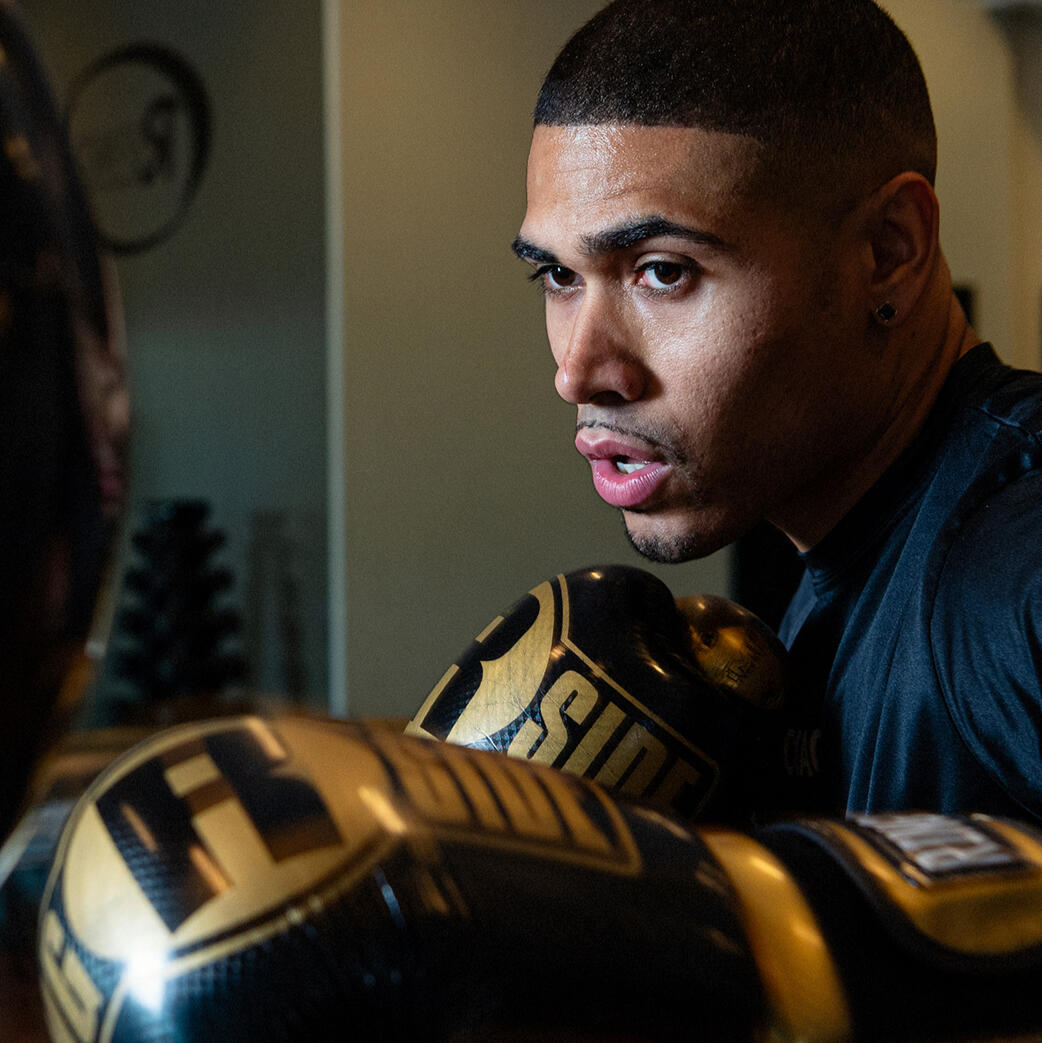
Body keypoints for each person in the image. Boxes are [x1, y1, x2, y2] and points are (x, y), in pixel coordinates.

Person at [513, 0, 1042, 823]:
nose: (580, 373)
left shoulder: (1016, 567)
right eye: (558, 276)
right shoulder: (842, 572)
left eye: (662, 272)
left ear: (889, 252)